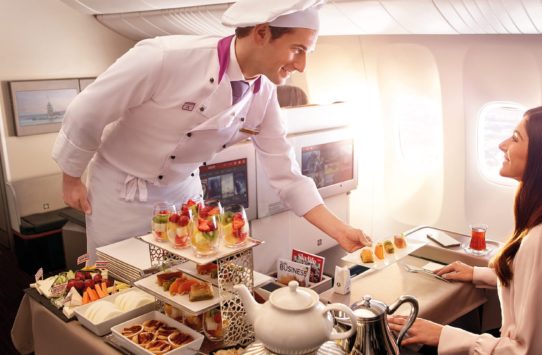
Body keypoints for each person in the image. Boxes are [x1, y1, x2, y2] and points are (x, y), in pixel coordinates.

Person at [51, 0, 371, 261]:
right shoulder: (165, 57)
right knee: (116, 283)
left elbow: (285, 174)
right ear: (261, 33)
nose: (301, 66)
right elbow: (86, 110)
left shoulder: (262, 92)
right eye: (297, 50)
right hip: (122, 193)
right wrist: (72, 178)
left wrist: (340, 231)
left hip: (182, 194)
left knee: (179, 285)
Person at [389, 106, 542, 354]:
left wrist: (442, 334)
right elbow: (535, 282)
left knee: (410, 344)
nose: (502, 145)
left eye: (515, 138)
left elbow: (528, 352)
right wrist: (477, 273)